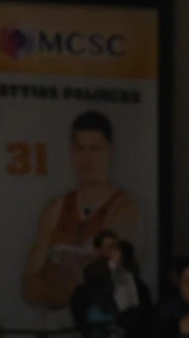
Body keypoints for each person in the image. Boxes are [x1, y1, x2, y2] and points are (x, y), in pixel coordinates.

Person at [21, 112, 142, 313]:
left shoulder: (124, 209)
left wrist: (54, 281)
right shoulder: (56, 208)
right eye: (80, 149)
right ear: (71, 151)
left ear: (110, 151)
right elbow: (29, 287)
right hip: (55, 330)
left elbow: (110, 285)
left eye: (96, 149)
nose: (88, 159)